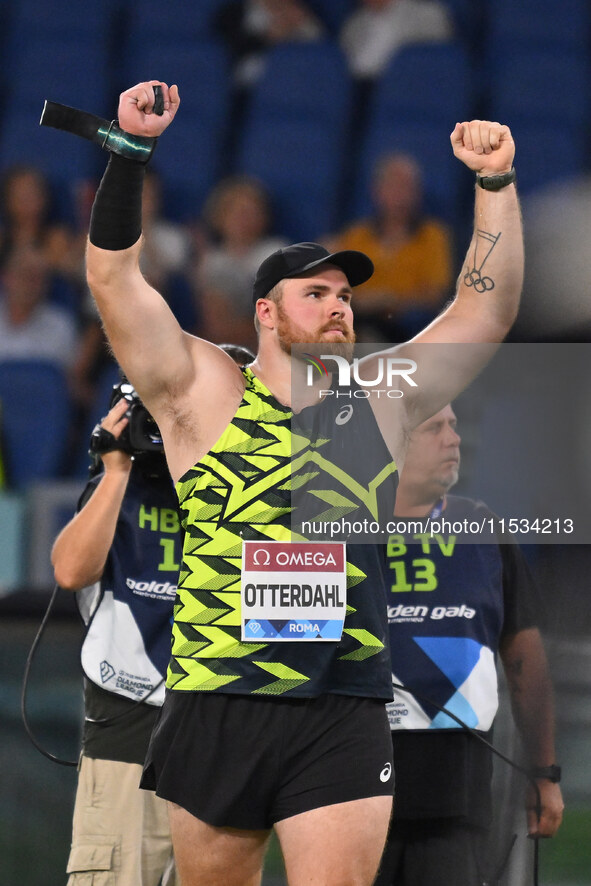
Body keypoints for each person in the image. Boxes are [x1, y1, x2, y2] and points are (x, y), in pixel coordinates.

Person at [82, 80, 523, 886]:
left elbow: (480, 316)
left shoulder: (380, 401)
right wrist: (130, 155)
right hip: (218, 695)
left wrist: (493, 188)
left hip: (343, 701)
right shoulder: (203, 391)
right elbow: (115, 284)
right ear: (265, 314)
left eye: (346, 296)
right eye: (314, 294)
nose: (338, 308)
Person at [51, 345, 254, 886]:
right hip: (128, 726)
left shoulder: (262, 499)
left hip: (225, 731)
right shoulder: (121, 489)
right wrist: (115, 470)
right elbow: (70, 570)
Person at [375, 405, 564, 885]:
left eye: (455, 426)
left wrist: (545, 773)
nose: (453, 439)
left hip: (456, 794)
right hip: (350, 782)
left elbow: (526, 662)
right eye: (435, 428)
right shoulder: (337, 529)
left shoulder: (482, 528)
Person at [326, 151, 454, 341]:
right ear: (377, 191)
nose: (401, 195)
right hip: (359, 320)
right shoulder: (357, 235)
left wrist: (391, 300)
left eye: (407, 187)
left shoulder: (433, 236)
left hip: (407, 328)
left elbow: (435, 296)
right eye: (393, 186)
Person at [196, 174, 288, 352]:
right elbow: (211, 318)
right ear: (220, 216)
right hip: (220, 340)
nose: (244, 220)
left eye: (252, 213)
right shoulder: (213, 259)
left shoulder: (275, 251)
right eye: (237, 212)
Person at [0, 244, 78, 370]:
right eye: (24, 273)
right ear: (6, 276)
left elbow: (68, 384)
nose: (30, 283)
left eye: (38, 277)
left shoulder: (60, 327)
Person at [339, 0, 453, 82]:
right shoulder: (353, 24)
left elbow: (437, 68)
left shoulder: (428, 16)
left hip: (405, 90)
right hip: (359, 92)